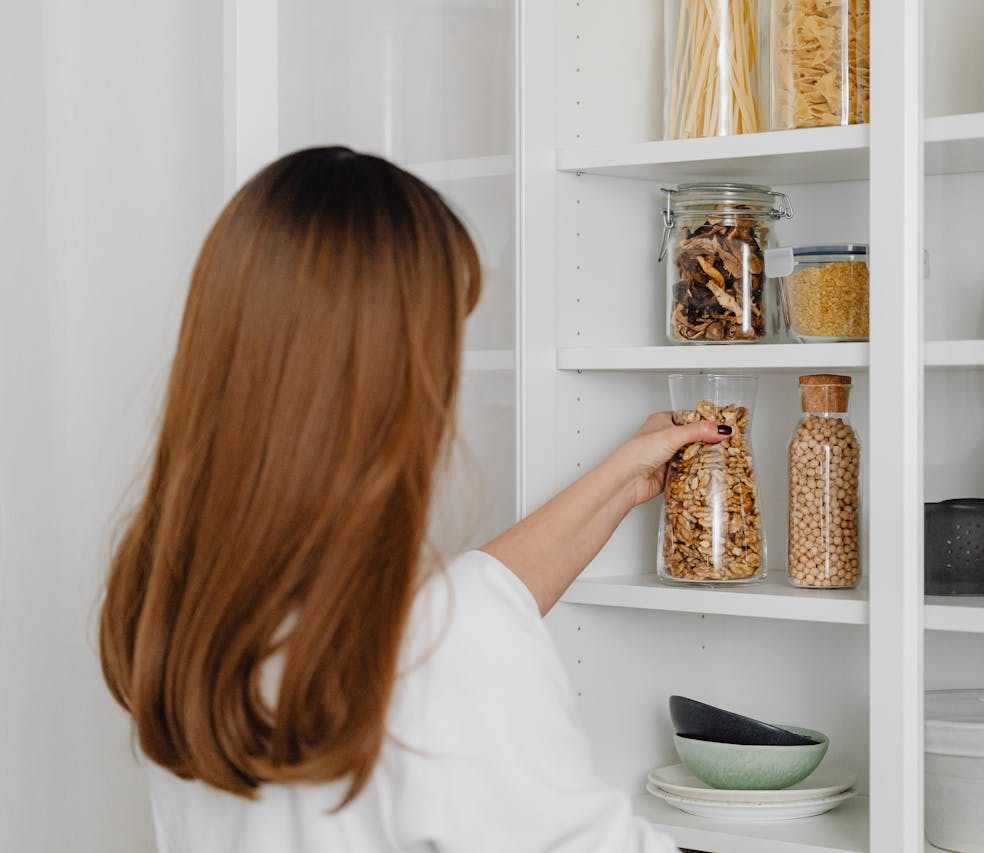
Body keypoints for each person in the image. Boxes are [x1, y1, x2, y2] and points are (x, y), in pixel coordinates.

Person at [98, 147, 731, 852]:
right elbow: (450, 630)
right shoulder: (451, 642)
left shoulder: (186, 610)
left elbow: (457, 600)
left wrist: (622, 478)